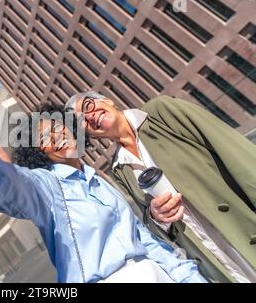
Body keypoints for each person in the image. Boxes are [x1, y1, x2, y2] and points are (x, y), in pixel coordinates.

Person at [0, 23, 206, 283]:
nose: (59, 137)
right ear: (41, 154)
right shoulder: (46, 189)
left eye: (59, 126)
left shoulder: (102, 181)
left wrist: (189, 277)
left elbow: (145, 241)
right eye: (45, 138)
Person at [65, 91, 256, 283]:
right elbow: (151, 224)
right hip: (215, 258)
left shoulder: (160, 112)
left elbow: (234, 152)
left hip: (242, 229)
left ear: (107, 100)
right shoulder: (119, 169)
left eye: (88, 106)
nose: (89, 116)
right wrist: (158, 217)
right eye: (82, 121)